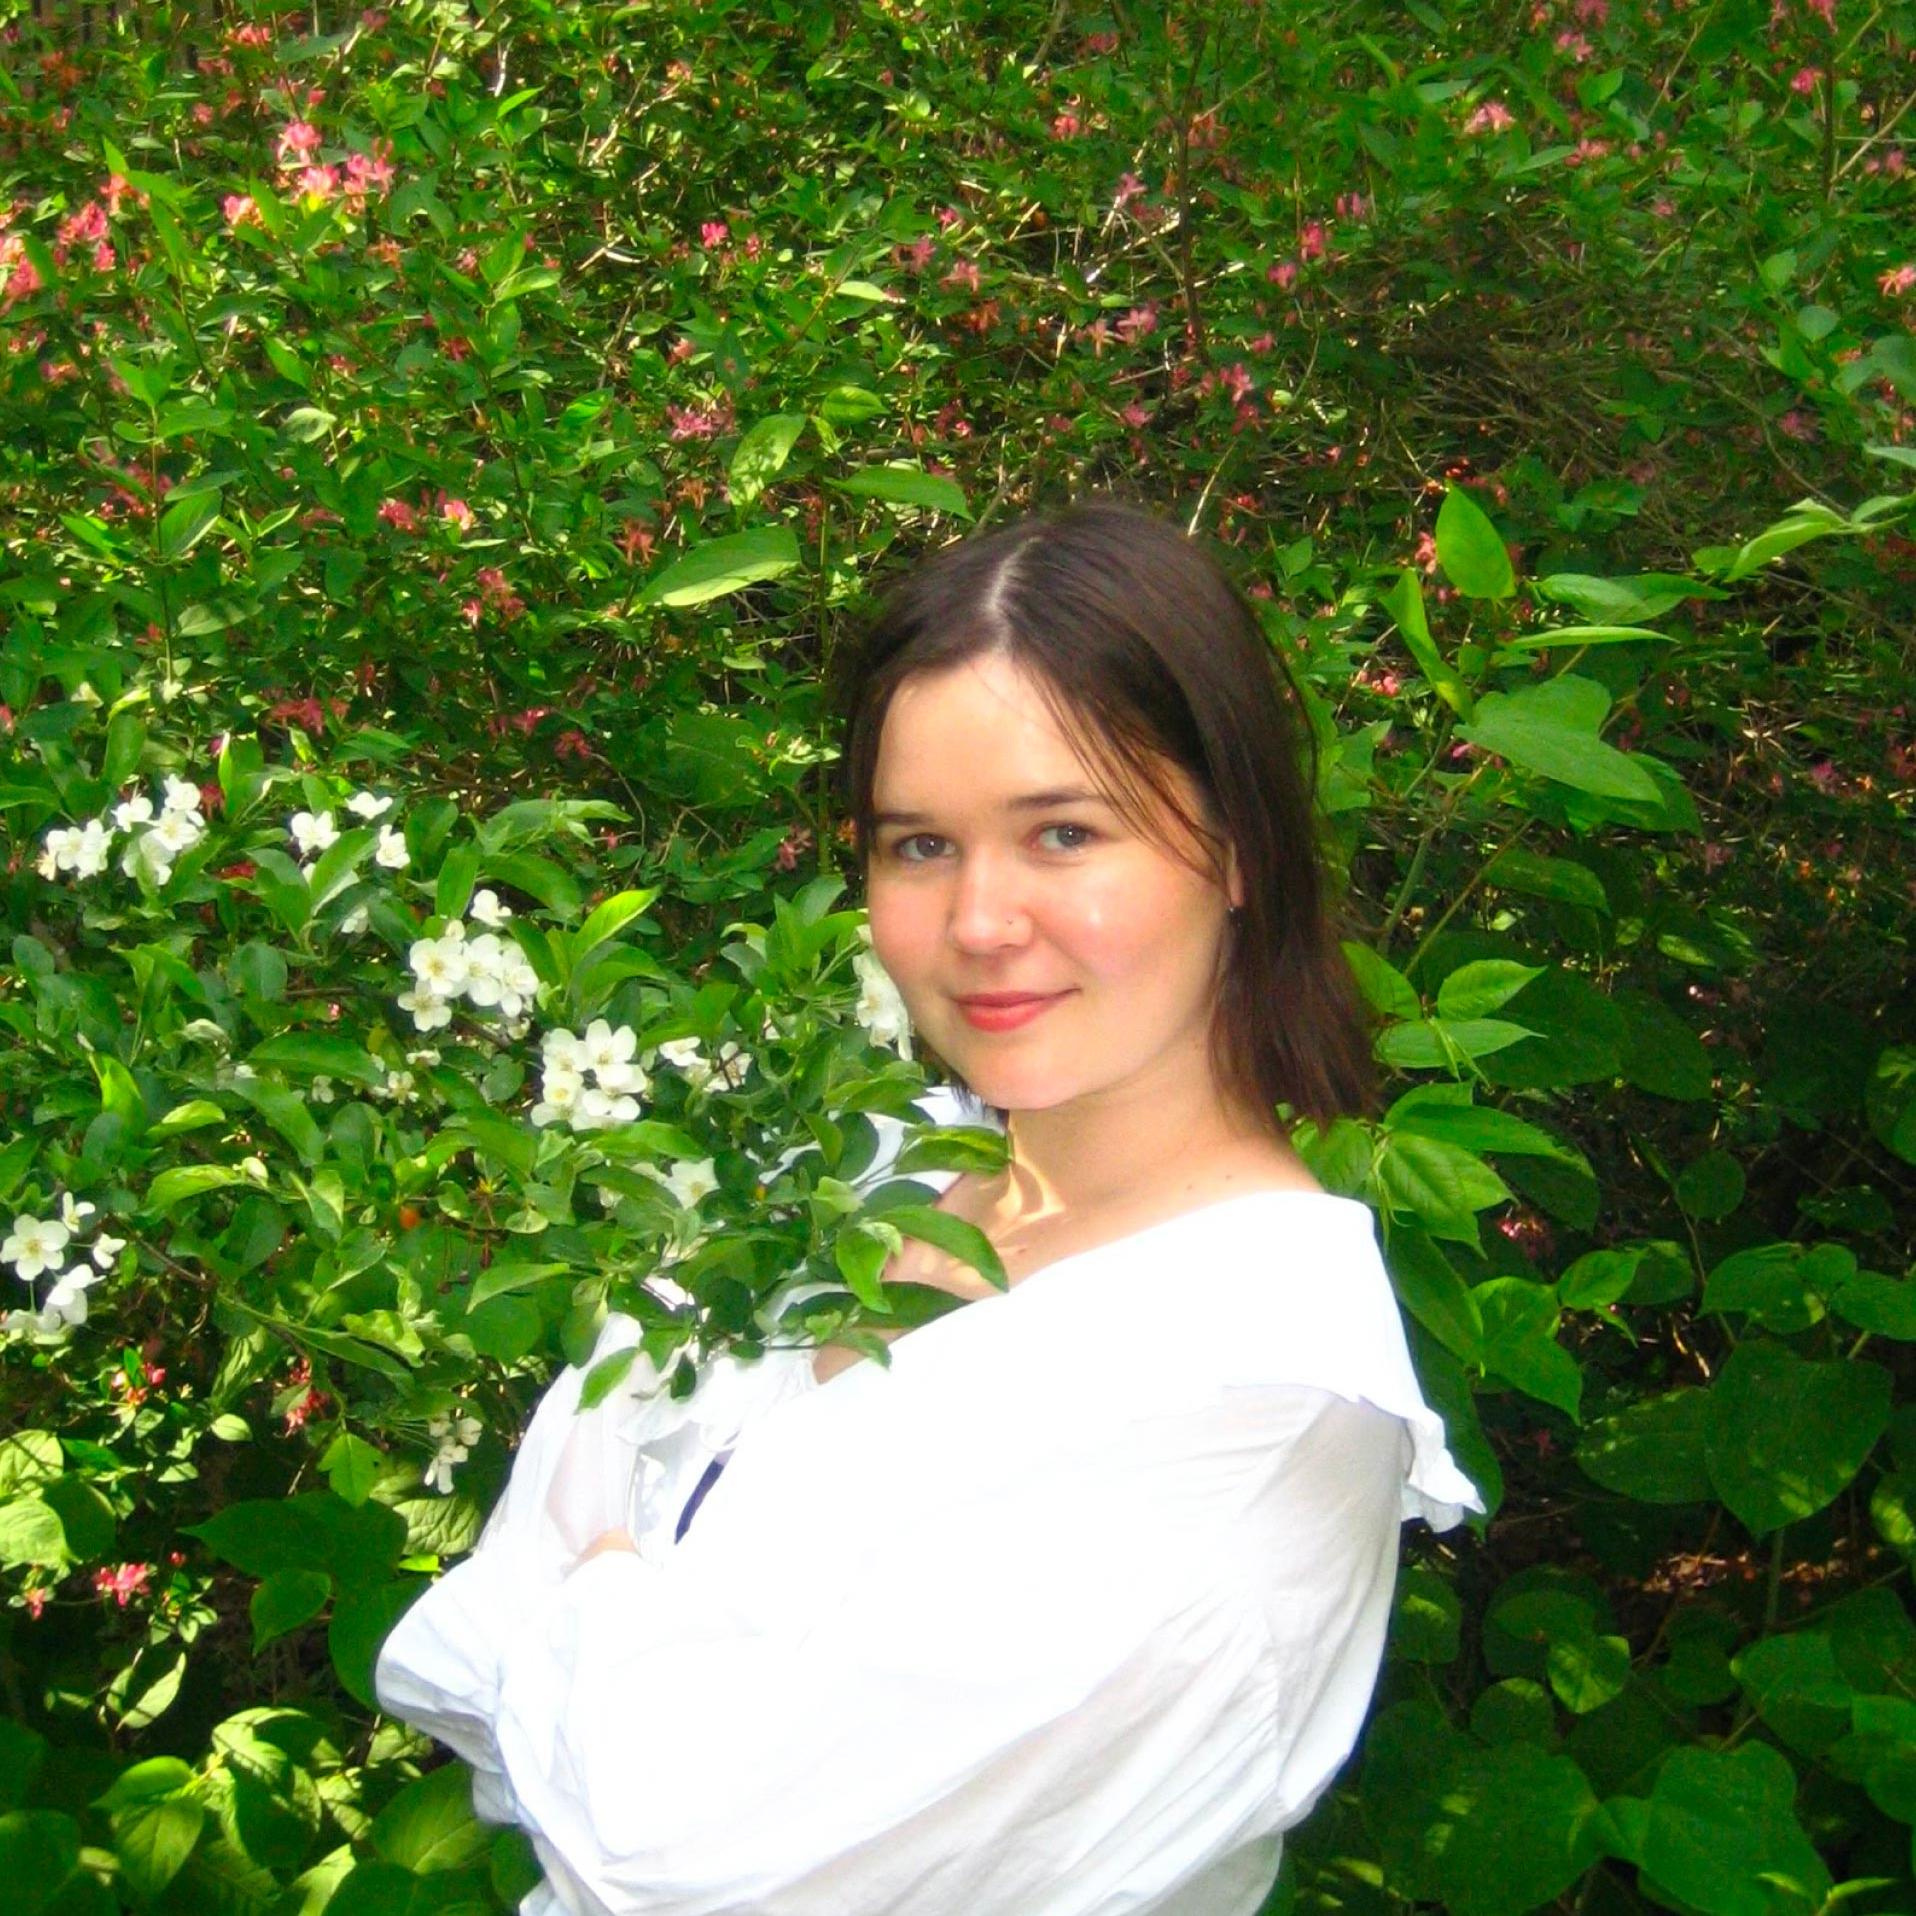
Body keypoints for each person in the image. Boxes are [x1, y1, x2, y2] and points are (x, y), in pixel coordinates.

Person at [375, 498, 1482, 1916]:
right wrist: (619, 1664)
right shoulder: (869, 1169)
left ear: (1239, 848)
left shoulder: (1259, 1386)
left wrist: (596, 1596)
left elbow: (677, 1860)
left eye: (1064, 832)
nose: (977, 923)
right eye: (918, 846)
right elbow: (478, 1648)